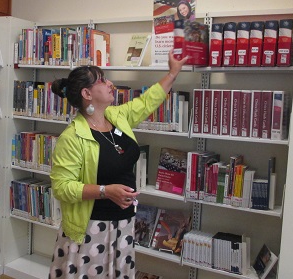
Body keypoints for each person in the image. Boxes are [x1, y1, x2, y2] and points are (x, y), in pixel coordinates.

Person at [48, 50, 188, 278]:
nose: (110, 83)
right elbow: (62, 187)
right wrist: (105, 191)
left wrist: (172, 73)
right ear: (87, 93)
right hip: (91, 228)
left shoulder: (116, 116)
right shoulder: (72, 137)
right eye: (102, 80)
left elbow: (146, 102)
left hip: (123, 223)